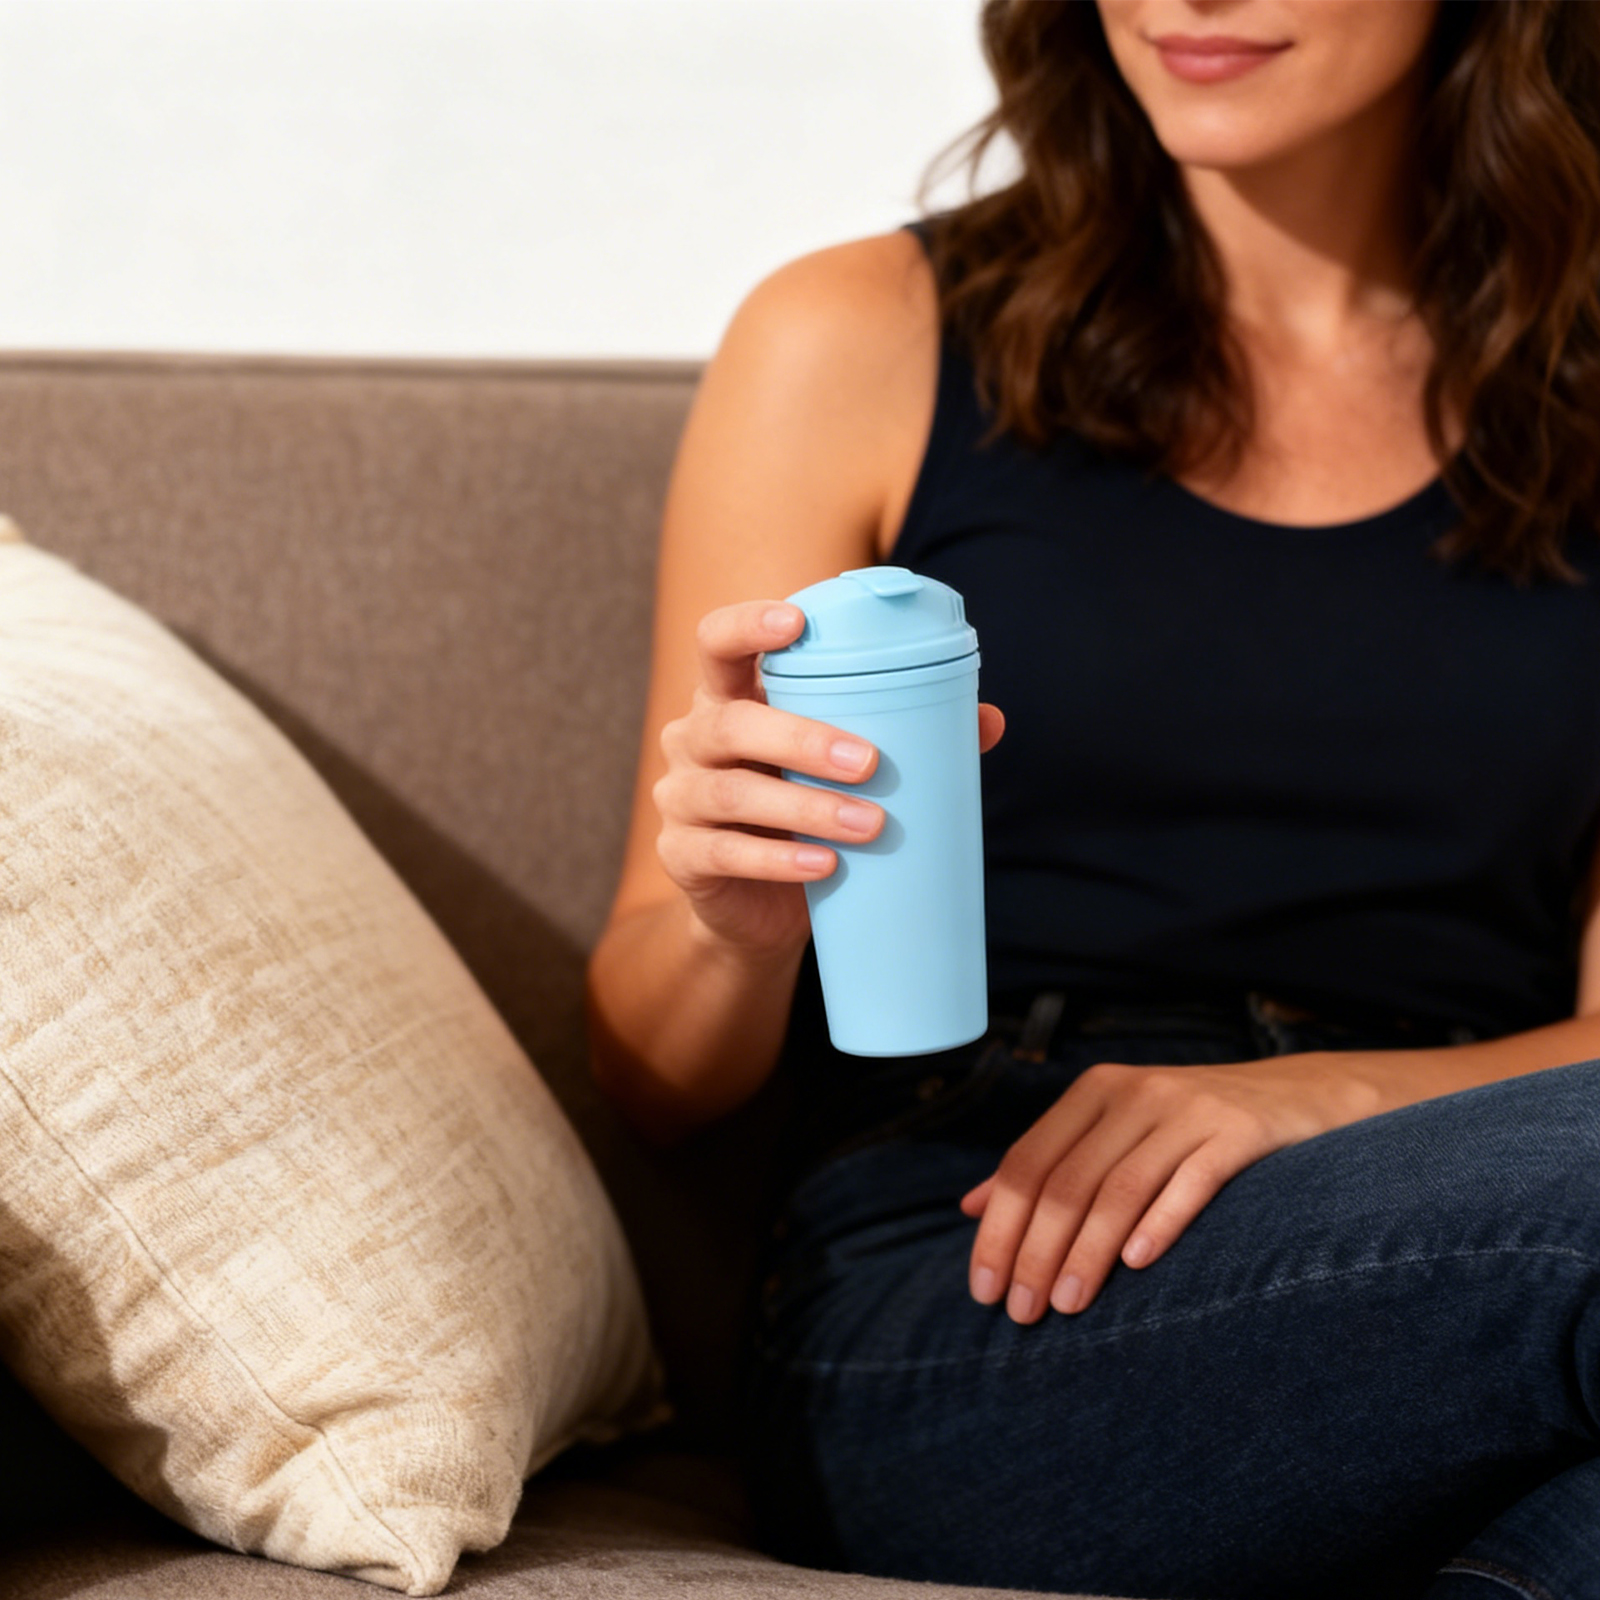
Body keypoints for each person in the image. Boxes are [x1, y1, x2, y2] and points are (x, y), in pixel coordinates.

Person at [585, 2, 1600, 1596]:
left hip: (1467, 1190)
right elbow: (652, 1082)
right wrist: (738, 926)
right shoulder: (861, 337)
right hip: (984, 1254)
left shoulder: (1582, 387)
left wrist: (1320, 1095)